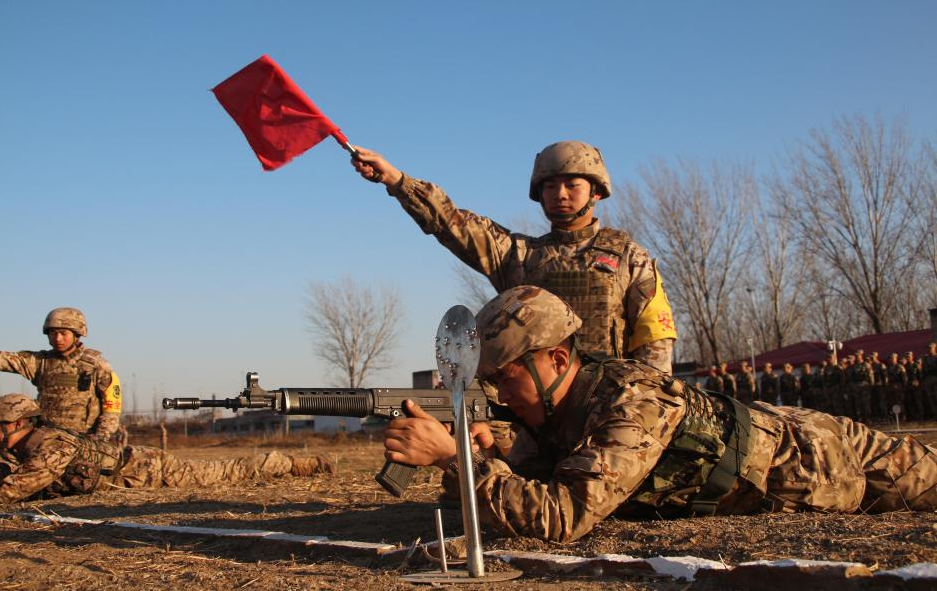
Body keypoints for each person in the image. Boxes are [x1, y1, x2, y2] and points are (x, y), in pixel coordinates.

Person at [382, 286, 937, 542]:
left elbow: (561, 516)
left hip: (820, 460)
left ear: (558, 360)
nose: (502, 394)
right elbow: (540, 476)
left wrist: (456, 460)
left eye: (507, 377)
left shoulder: (632, 402)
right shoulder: (555, 411)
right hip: (783, 437)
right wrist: (491, 448)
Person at [350, 141, 678, 373]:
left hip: (606, 407)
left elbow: (655, 343)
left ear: (596, 192)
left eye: (572, 185)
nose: (560, 194)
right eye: (550, 186)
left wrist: (643, 407)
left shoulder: (629, 257)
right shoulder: (519, 256)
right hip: (531, 413)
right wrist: (396, 180)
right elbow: (452, 223)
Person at [0, 394, 334, 503]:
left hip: (149, 472)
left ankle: (293, 464)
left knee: (227, 472)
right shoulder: (25, 447)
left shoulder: (51, 446)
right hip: (134, 471)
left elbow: (19, 486)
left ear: (18, 423)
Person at [1, 308, 121, 440]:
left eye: (63, 333)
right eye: (53, 333)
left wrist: (100, 437)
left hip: (82, 442)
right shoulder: (40, 362)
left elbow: (112, 408)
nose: (58, 338)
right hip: (45, 440)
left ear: (77, 334)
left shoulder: (97, 366)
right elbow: (6, 360)